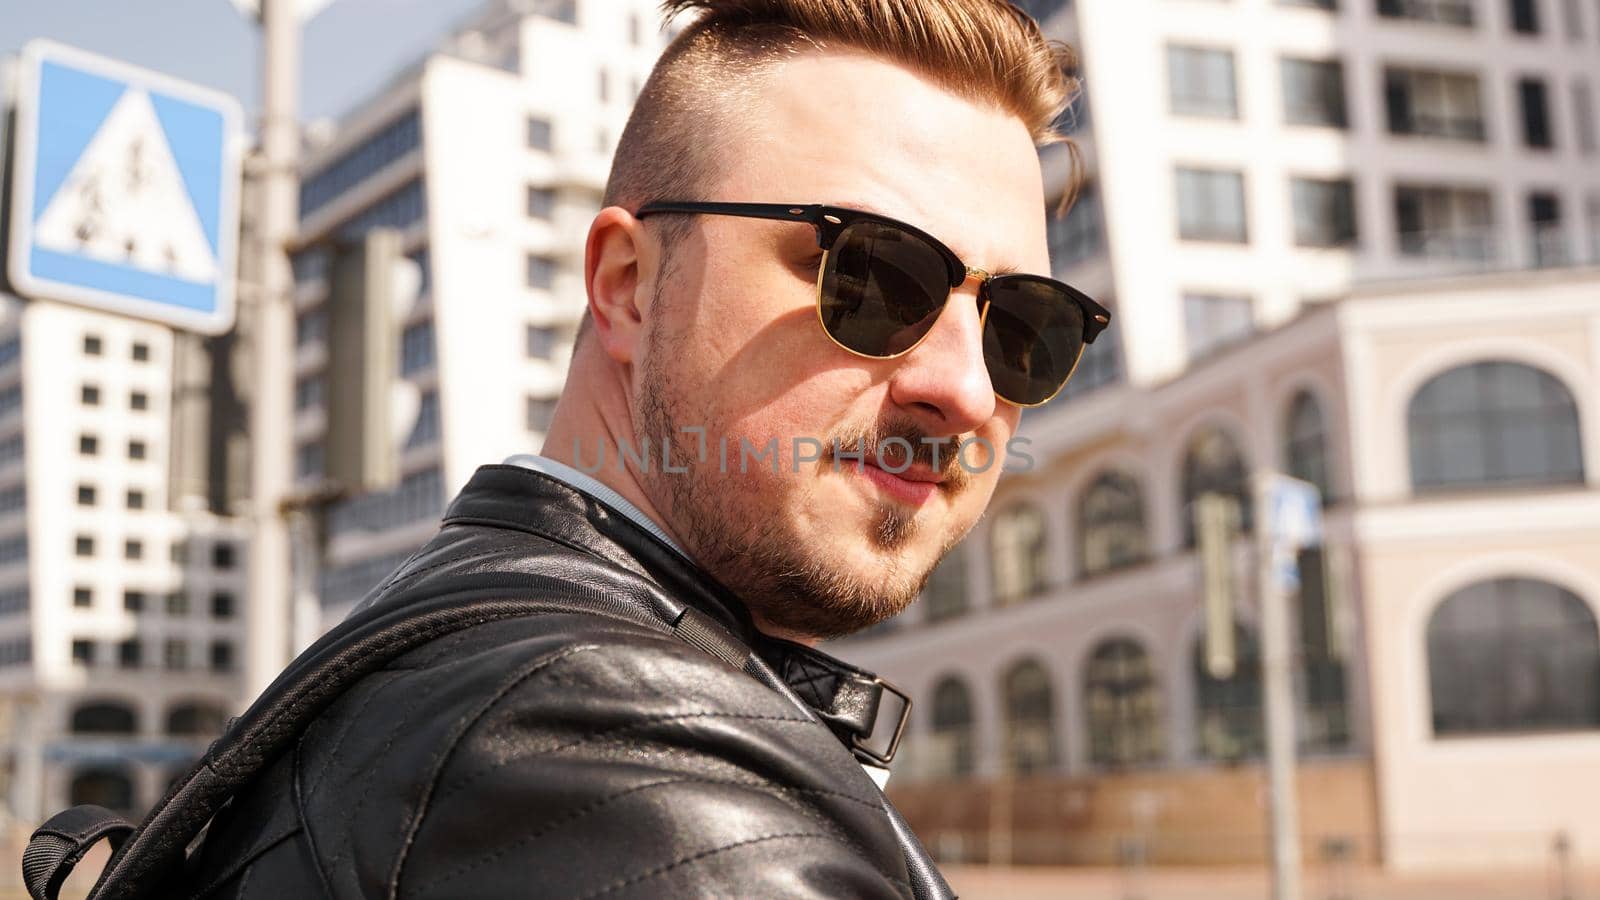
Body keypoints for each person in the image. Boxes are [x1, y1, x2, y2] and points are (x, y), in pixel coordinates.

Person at [184, 1, 1104, 896]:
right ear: (629, 286)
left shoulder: (471, 662)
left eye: (1025, 325)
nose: (967, 391)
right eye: (872, 275)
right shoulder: (605, 742)